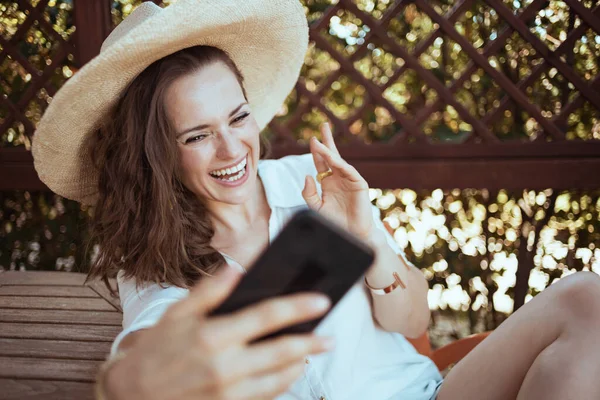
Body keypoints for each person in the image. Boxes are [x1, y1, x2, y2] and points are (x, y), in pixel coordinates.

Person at [31, 1, 600, 399]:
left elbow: (413, 321)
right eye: (197, 135)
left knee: (586, 298)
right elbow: (147, 361)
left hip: (422, 395)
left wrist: (367, 244)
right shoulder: (153, 253)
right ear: (158, 153)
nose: (233, 148)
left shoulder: (310, 180)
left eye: (238, 117)